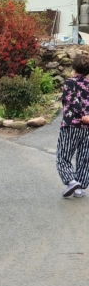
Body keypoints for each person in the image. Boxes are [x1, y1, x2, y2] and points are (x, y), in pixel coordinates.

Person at [58, 55, 89, 198]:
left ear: (74, 68)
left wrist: (81, 114)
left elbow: (70, 100)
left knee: (63, 155)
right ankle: (80, 187)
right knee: (84, 157)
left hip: (70, 124)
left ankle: (71, 180)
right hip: (87, 127)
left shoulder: (69, 82)